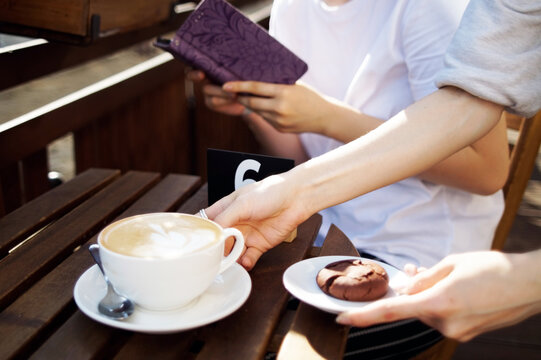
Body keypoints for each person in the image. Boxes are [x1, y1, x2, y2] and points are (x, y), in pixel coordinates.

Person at [201, 0, 541, 342]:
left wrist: (327, 117)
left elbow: (488, 172)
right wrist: (254, 105)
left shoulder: (432, 9)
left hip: (415, 260)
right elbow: (307, 161)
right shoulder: (290, 7)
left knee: (247, 342)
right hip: (323, 235)